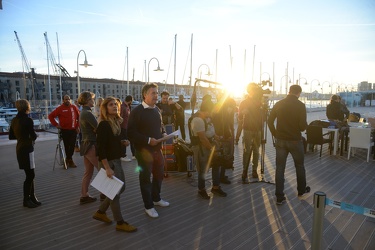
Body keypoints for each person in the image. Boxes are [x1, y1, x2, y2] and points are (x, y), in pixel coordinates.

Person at [92, 97, 137, 232]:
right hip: (109, 162)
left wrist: (122, 142)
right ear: (105, 108)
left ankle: (100, 212)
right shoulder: (104, 124)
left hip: (115, 160)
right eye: (111, 105)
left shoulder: (115, 122)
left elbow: (110, 142)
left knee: (119, 189)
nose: (115, 107)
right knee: (115, 193)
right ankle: (120, 222)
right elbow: (100, 149)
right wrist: (106, 168)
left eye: (116, 105)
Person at [128, 83, 170, 218]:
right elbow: (131, 133)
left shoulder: (157, 109)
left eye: (157, 93)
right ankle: (148, 206)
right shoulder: (137, 112)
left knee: (159, 175)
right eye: (153, 93)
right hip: (144, 151)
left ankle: (156, 198)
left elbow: (161, 126)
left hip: (158, 150)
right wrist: (147, 140)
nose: (156, 96)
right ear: (145, 95)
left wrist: (163, 134)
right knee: (145, 178)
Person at [268, 85, 309, 205]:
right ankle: (301, 190)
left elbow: (270, 121)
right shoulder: (301, 105)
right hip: (295, 140)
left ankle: (279, 196)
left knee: (280, 168)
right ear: (299, 93)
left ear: (289, 91)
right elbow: (302, 127)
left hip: (281, 140)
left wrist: (275, 134)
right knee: (299, 166)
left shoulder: (279, 103)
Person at [190, 100, 227, 199]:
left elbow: (210, 130)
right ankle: (201, 189)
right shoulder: (197, 120)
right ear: (206, 110)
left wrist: (217, 137)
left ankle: (215, 187)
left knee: (216, 164)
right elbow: (202, 138)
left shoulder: (207, 118)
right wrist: (212, 149)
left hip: (210, 144)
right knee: (202, 169)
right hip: (202, 148)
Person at [9, 99, 41, 208]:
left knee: (29, 174)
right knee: (30, 175)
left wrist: (22, 136)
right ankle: (27, 199)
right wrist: (34, 136)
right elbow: (33, 135)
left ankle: (32, 197)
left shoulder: (14, 120)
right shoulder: (28, 120)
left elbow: (11, 136)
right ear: (27, 107)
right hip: (28, 149)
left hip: (20, 148)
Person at [238, 83, 264, 183]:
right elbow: (239, 117)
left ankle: (254, 170)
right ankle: (245, 170)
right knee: (246, 150)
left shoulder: (259, 102)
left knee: (256, 151)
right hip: (248, 128)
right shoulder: (244, 102)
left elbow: (264, 115)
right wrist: (242, 113)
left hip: (258, 129)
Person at [78, 91, 99, 204]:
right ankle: (105, 194)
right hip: (91, 145)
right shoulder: (88, 113)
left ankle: (84, 195)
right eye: (91, 99)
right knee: (103, 169)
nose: (93, 101)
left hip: (85, 145)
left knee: (88, 172)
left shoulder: (83, 112)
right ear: (87, 101)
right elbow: (98, 128)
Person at [48, 95, 80, 168]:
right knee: (67, 146)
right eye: (66, 99)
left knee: (72, 145)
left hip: (73, 129)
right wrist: (56, 124)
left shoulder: (74, 107)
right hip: (65, 130)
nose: (67, 100)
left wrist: (78, 126)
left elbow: (79, 117)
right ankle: (70, 160)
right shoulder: (60, 108)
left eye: (68, 99)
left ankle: (68, 159)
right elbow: (50, 116)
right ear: (63, 100)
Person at [212, 92, 236, 184]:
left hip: (221, 133)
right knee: (223, 155)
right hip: (222, 134)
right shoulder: (224, 108)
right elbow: (227, 122)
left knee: (222, 155)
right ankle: (221, 176)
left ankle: (221, 175)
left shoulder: (217, 107)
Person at [120, 95, 133, 162]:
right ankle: (123, 155)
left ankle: (125, 154)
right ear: (130, 100)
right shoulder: (123, 107)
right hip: (123, 127)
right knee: (124, 141)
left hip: (126, 126)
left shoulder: (127, 106)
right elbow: (120, 117)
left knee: (127, 140)